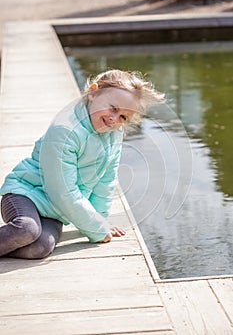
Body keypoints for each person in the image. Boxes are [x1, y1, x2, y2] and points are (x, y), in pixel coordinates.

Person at [0, 69, 164, 259]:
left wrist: (100, 220)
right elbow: (62, 190)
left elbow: (105, 182)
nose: (114, 119)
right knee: (27, 229)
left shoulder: (114, 136)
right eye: (113, 108)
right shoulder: (65, 131)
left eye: (123, 117)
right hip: (26, 194)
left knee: (42, 247)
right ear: (93, 93)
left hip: (55, 210)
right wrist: (96, 229)